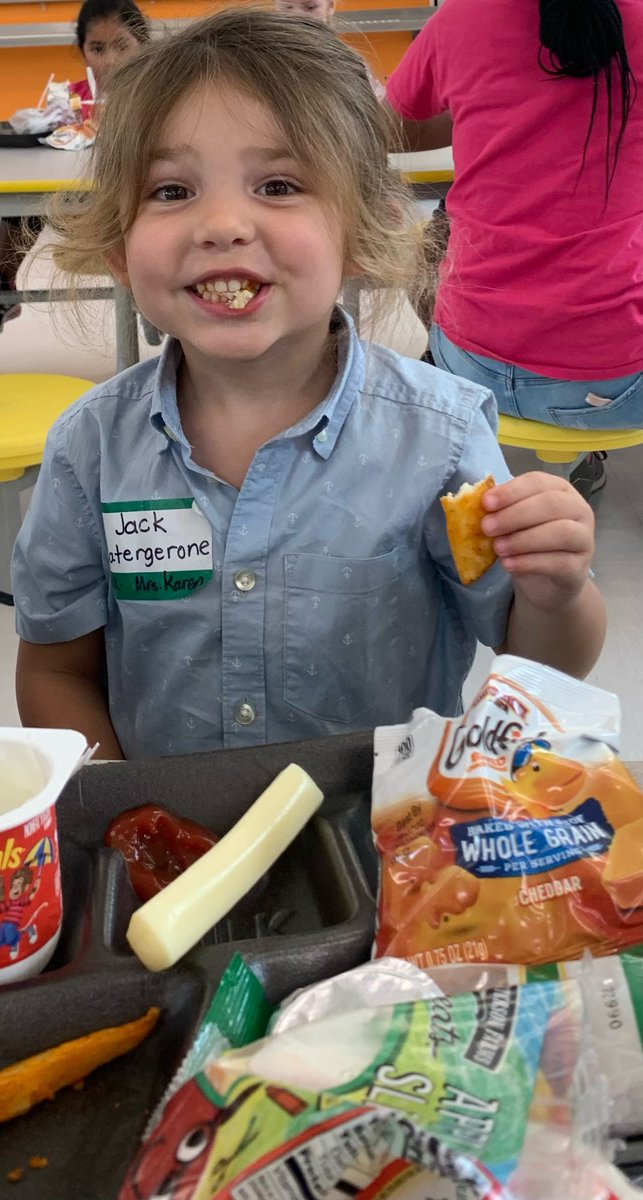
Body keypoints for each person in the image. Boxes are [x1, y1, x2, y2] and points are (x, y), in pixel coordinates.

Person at [12, 9, 604, 761]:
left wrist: (558, 593)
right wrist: (128, 821)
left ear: (359, 233)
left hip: (379, 845)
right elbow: (57, 666)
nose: (222, 224)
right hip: (177, 845)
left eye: (279, 183)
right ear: (121, 251)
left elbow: (543, 663)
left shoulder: (439, 439)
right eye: (170, 191)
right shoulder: (90, 449)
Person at [386, 0, 643, 496]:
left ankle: (445, 399)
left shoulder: (461, 17)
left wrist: (484, 108)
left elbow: (386, 126)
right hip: (622, 384)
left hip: (473, 360)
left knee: (439, 234)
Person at [0, 0, 149, 330]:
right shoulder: (72, 100)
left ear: (143, 45)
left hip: (139, 204)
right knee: (20, 204)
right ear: (81, 51)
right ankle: (3, 283)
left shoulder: (157, 95)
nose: (109, 60)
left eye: (121, 46)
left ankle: (148, 296)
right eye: (97, 48)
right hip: (77, 204)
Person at [274, 0, 385, 98]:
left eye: (310, 7)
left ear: (330, 6)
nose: (296, 16)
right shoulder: (269, 59)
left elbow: (376, 112)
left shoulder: (349, 63)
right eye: (287, 7)